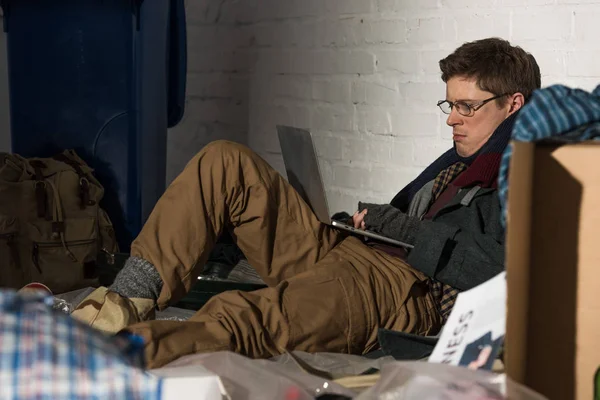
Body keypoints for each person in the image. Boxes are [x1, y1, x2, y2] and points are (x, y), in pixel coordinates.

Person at [72, 37, 541, 369]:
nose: (452, 120)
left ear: (514, 103)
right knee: (225, 163)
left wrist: (399, 228)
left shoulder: (531, 174)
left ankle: (105, 356)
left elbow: (505, 271)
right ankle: (118, 304)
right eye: (450, 105)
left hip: (400, 289)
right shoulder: (464, 156)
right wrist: (368, 226)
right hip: (357, 253)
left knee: (249, 316)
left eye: (467, 107)